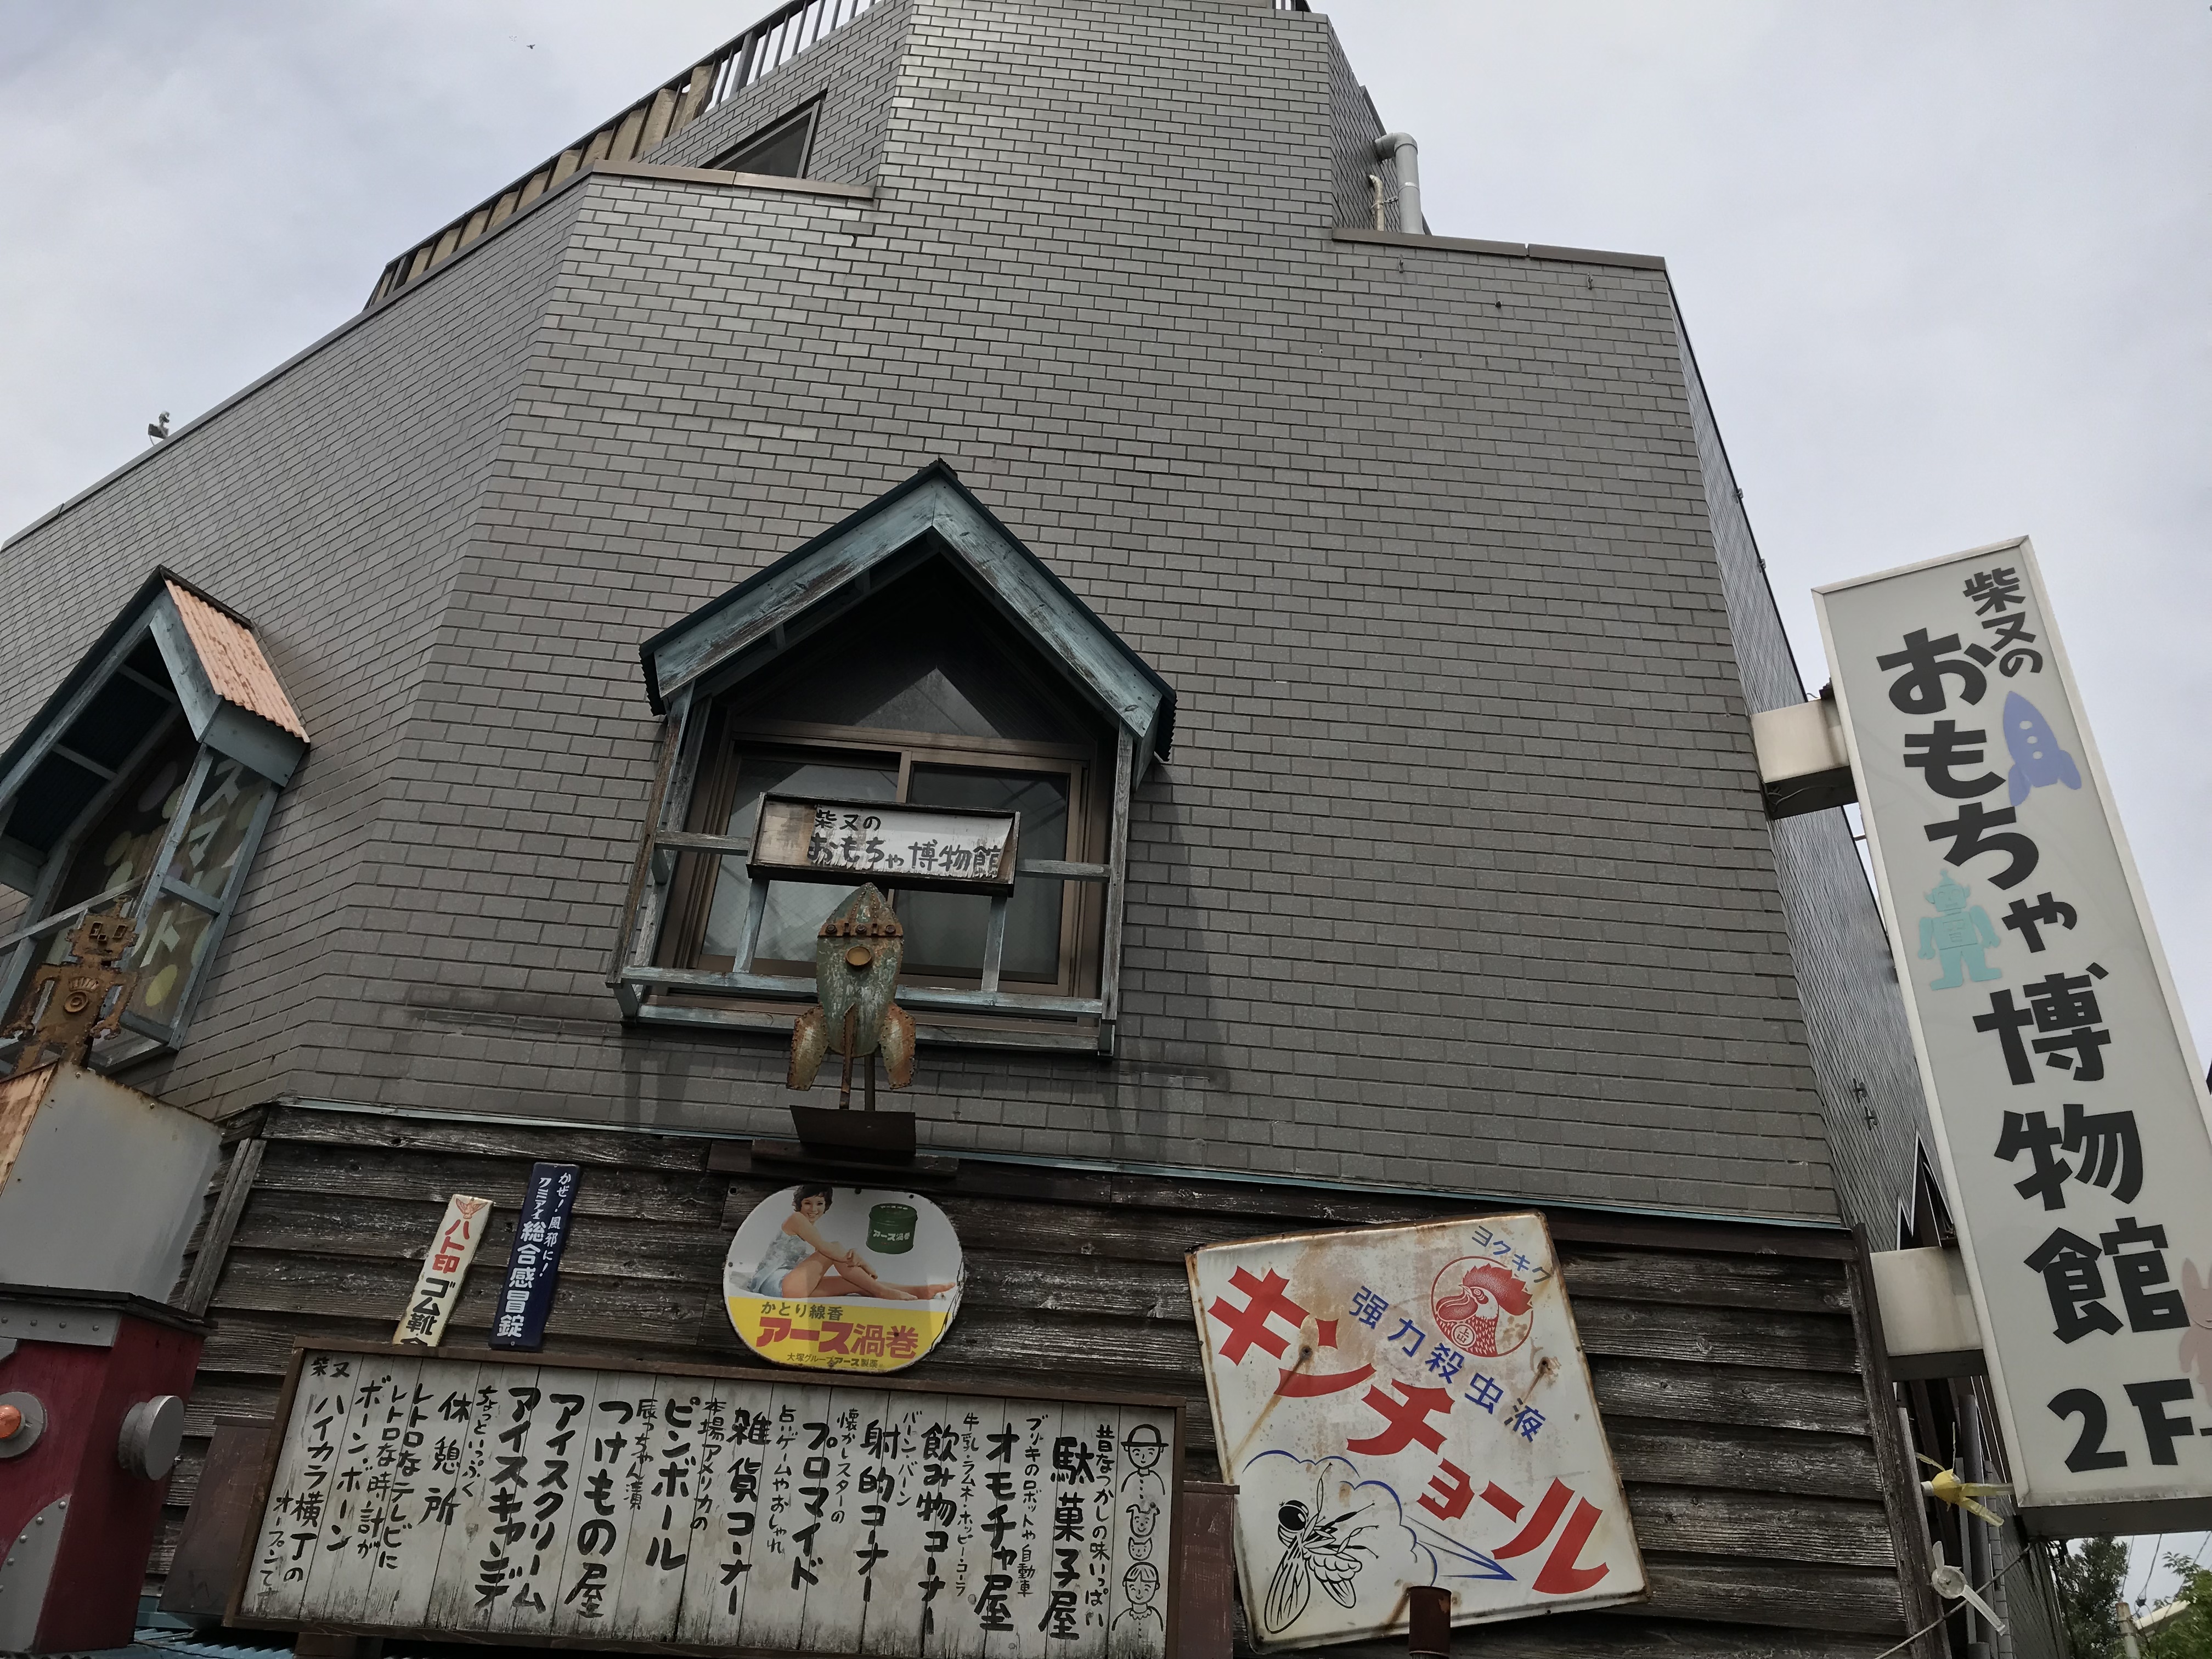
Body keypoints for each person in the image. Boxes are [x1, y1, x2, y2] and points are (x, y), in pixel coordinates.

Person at [744, 1187, 956, 1301]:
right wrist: (865, 1264)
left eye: (820, 1203)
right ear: (799, 1205)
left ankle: (920, 1291)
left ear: (826, 1206)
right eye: (807, 1203)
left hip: (793, 1286)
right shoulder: (796, 1219)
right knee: (833, 1248)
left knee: (855, 1283)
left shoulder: (810, 1229)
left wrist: (855, 1260)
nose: (813, 1209)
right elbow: (829, 1251)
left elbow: (834, 1254)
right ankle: (883, 1292)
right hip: (777, 1285)